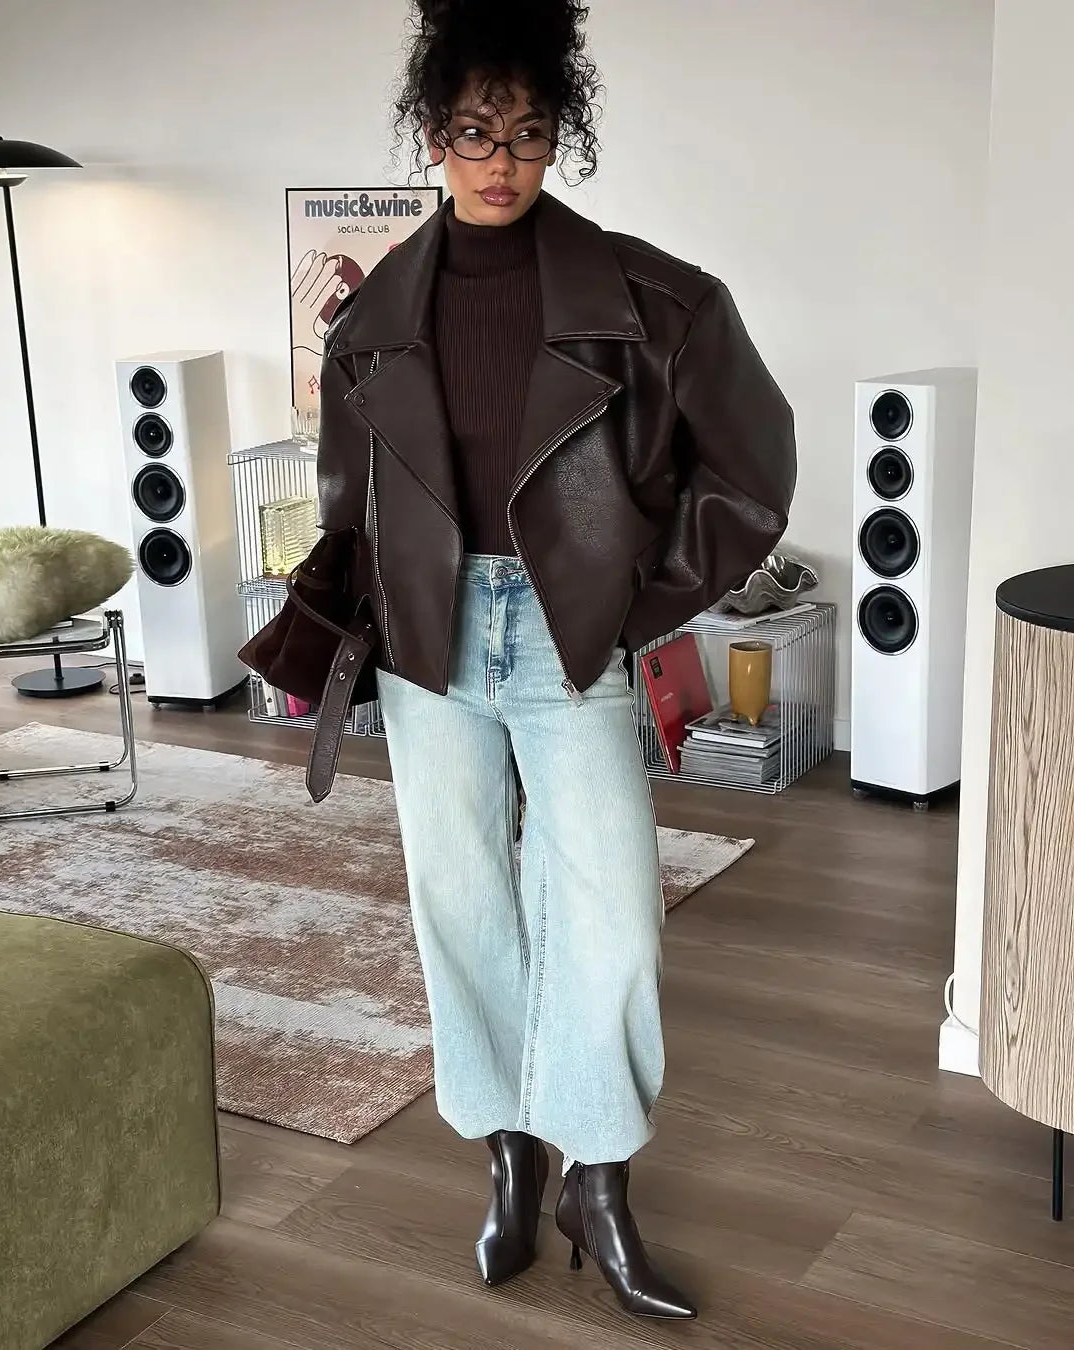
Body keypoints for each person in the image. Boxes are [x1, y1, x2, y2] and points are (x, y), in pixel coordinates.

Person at [312, 0, 796, 1322]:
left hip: (565, 633)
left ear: (558, 137)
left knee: (613, 912)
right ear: (433, 134)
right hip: (427, 638)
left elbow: (752, 471)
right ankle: (510, 1154)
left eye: (529, 132)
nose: (501, 160)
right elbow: (349, 502)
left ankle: (602, 1177)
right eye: (476, 132)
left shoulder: (655, 301)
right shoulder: (370, 323)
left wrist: (631, 603)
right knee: (461, 899)